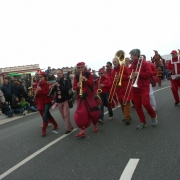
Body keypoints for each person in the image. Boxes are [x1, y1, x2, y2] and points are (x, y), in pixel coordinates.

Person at [129, 49, 157, 129]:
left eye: (131, 55)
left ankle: (153, 116)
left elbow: (149, 74)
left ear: (135, 55)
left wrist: (139, 74)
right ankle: (143, 122)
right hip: (135, 88)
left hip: (144, 87)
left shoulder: (144, 63)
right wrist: (131, 76)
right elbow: (130, 72)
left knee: (146, 104)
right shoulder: (133, 64)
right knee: (137, 106)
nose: (130, 57)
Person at [73, 62, 100, 137]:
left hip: (89, 96)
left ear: (84, 67)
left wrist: (86, 80)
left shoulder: (89, 74)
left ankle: (95, 125)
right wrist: (77, 86)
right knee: (81, 113)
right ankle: (82, 130)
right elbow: (74, 87)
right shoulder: (76, 76)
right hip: (81, 97)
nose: (80, 69)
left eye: (81, 67)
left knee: (93, 113)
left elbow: (92, 84)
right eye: (78, 68)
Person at [34, 71, 58, 136]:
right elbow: (38, 95)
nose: (39, 78)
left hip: (47, 101)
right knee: (48, 114)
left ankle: (43, 130)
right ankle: (55, 124)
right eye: (39, 77)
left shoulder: (48, 84)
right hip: (41, 101)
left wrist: (41, 90)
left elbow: (48, 94)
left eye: (41, 77)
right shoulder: (37, 84)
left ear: (44, 77)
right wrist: (36, 92)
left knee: (45, 115)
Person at [50, 69, 73, 134]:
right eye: (57, 74)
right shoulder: (57, 81)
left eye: (59, 73)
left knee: (66, 115)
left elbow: (66, 89)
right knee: (63, 116)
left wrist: (58, 85)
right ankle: (70, 126)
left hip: (65, 99)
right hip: (58, 100)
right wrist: (51, 88)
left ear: (62, 73)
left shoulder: (66, 81)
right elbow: (53, 91)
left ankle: (68, 129)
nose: (58, 75)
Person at [111, 56, 132, 124]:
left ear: (118, 62)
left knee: (126, 103)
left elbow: (129, 76)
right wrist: (114, 82)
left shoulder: (124, 68)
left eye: (115, 62)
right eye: (113, 62)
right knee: (122, 104)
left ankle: (127, 117)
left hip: (125, 88)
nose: (114, 63)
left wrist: (121, 77)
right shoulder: (113, 71)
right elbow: (113, 80)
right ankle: (127, 116)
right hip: (118, 89)